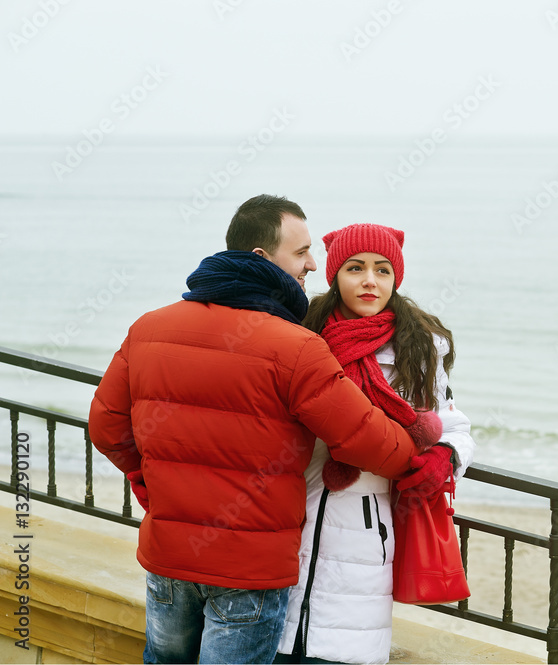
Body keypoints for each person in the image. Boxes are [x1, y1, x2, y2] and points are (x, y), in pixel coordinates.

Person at [87, 196, 438, 664]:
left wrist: (154, 486)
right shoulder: (296, 347)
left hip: (169, 556)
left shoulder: (150, 328)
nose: (314, 264)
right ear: (261, 258)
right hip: (249, 569)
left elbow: (107, 429)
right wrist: (421, 445)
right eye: (301, 253)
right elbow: (372, 444)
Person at [275, 224, 476, 664]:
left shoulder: (420, 346)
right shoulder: (304, 333)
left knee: (343, 650)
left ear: (395, 278)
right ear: (335, 275)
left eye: (382, 270)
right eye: (356, 268)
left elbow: (452, 426)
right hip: (294, 515)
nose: (370, 280)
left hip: (368, 531)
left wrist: (444, 457)